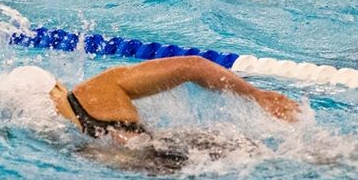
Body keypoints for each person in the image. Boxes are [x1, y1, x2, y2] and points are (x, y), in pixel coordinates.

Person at [19, 55, 300, 145]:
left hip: (149, 173)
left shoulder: (52, 139)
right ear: (55, 85)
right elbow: (193, 66)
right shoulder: (94, 91)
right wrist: (256, 95)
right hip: (180, 150)